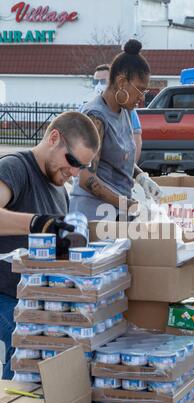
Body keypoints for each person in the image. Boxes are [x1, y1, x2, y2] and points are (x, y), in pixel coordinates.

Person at [0, 111, 100, 379]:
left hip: (34, 299)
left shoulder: (59, 191)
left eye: (82, 167)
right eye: (73, 161)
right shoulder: (14, 168)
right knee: (31, 342)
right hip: (5, 295)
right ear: (54, 138)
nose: (75, 173)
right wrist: (37, 224)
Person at [70, 40, 162, 220]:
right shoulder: (96, 117)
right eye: (140, 90)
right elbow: (87, 179)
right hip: (93, 216)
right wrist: (128, 205)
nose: (142, 97)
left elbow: (118, 156)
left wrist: (141, 177)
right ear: (121, 82)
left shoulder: (125, 111)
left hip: (115, 212)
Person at [93, 63, 143, 162]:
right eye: (95, 81)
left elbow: (136, 139)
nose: (98, 85)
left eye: (103, 81)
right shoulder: (89, 109)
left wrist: (132, 168)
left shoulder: (128, 110)